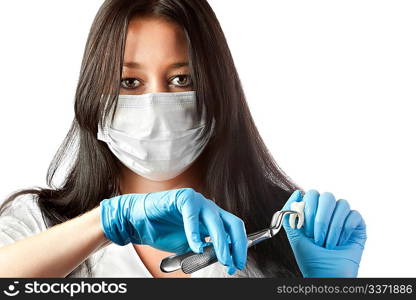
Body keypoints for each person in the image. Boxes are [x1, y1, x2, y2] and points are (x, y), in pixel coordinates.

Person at [0, 0, 366, 278]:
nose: (156, 105)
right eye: (129, 83)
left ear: (218, 92)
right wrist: (106, 223)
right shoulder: (38, 224)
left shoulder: (288, 232)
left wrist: (326, 289)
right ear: (93, 98)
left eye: (181, 80)